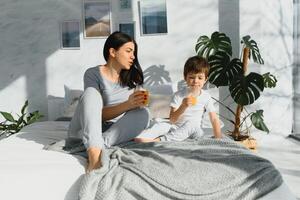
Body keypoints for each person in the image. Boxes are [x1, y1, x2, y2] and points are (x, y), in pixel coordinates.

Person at [67, 31, 150, 173]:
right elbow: (95, 115)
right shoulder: (93, 74)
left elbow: (133, 116)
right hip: (88, 127)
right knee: (91, 93)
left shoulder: (133, 78)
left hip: (114, 132)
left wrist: (136, 105)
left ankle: (99, 144)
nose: (133, 56)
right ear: (113, 52)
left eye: (134, 52)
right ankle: (94, 157)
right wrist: (127, 105)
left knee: (144, 113)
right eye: (129, 51)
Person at [135, 56, 222, 143]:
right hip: (176, 128)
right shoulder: (178, 95)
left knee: (191, 124)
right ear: (185, 78)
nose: (195, 81)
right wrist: (183, 106)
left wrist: (218, 138)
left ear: (205, 80)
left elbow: (214, 118)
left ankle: (159, 140)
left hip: (195, 131)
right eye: (191, 77)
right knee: (162, 125)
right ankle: (139, 137)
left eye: (200, 78)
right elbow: (172, 119)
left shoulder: (206, 97)